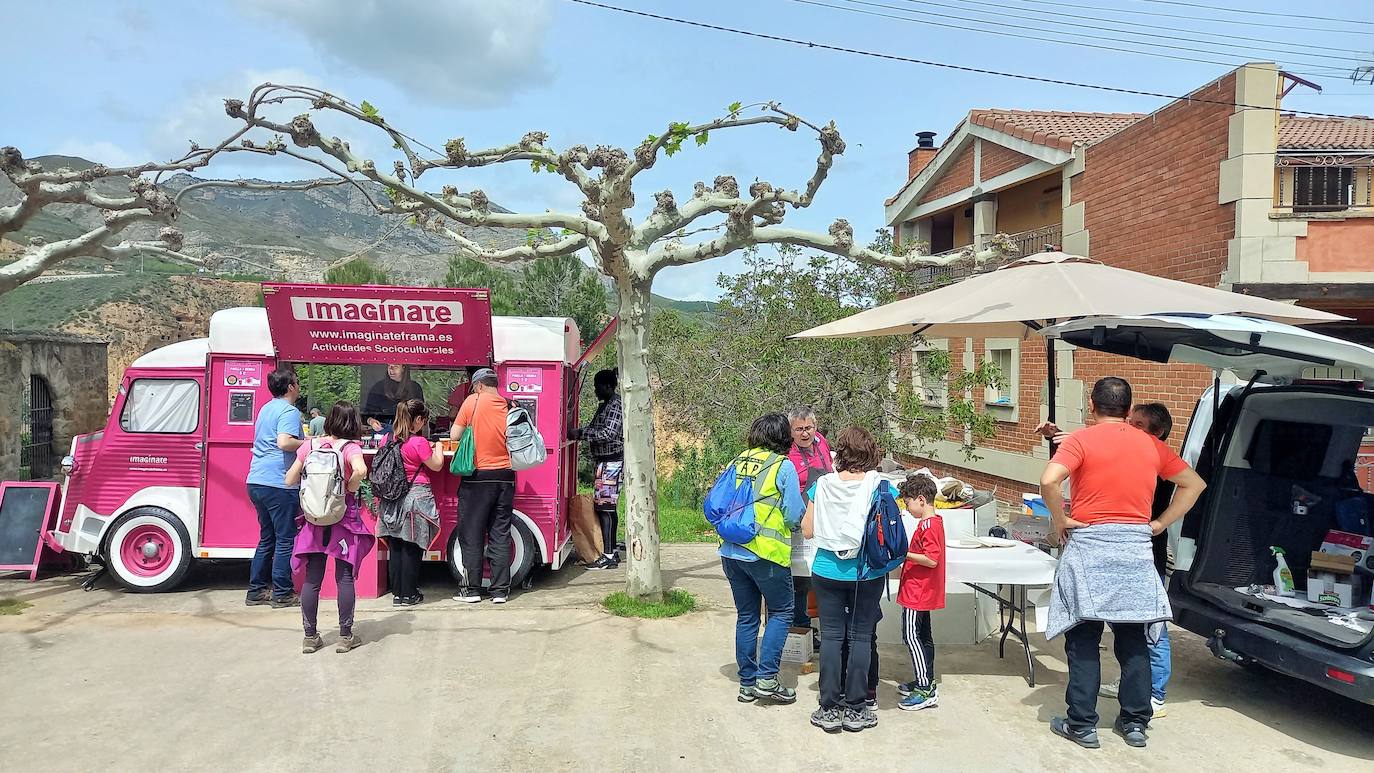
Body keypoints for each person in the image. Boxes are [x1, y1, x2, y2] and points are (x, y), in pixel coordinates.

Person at [1041, 377, 1205, 750]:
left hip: (1090, 545)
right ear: (1129, 411)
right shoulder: (1150, 444)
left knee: (1083, 637)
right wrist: (1160, 523)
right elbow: (1194, 484)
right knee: (1132, 639)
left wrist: (1060, 519)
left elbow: (1049, 480)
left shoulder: (1080, 440)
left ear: (1092, 404)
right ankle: (1134, 723)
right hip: (1133, 548)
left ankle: (1081, 724)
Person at [802, 426, 887, 733]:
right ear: (871, 452)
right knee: (861, 637)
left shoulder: (821, 485)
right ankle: (856, 708)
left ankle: (828, 707)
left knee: (832, 637)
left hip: (826, 570)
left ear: (841, 452)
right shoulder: (879, 485)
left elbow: (808, 530)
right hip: (866, 573)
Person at [720, 413, 805, 705]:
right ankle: (767, 679)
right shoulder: (783, 467)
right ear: (784, 437)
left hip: (730, 550)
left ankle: (747, 683)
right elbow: (795, 513)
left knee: (747, 616)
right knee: (781, 612)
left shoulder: (738, 460)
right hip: (765, 554)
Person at [1099, 402, 1177, 718]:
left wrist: (1159, 524)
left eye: (1139, 424)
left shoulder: (1158, 462)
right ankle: (1134, 681)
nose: (1131, 427)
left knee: (1152, 628)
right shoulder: (1138, 454)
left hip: (1148, 558)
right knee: (1128, 627)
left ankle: (1155, 693)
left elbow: (1193, 487)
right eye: (1131, 421)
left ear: (1157, 433)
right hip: (1127, 555)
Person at [284, 401, 375, 653]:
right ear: (353, 422)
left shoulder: (309, 446)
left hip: (313, 519)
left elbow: (290, 478)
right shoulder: (350, 447)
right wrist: (350, 487)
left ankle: (310, 637)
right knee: (344, 577)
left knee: (313, 578)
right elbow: (361, 470)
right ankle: (345, 636)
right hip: (342, 518)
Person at [449, 367, 514, 604]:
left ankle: (472, 590)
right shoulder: (510, 404)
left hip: (478, 476)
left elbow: (454, 435)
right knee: (500, 533)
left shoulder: (473, 401)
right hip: (506, 476)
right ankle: (500, 592)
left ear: (478, 386)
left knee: (472, 533)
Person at [245, 366, 305, 608]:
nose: (299, 386)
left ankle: (256, 590)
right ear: (290, 386)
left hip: (256, 479)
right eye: (297, 382)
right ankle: (282, 592)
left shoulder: (265, 409)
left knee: (266, 539)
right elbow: (284, 442)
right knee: (284, 540)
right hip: (279, 483)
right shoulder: (289, 411)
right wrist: (309, 443)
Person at [377, 399, 444, 607]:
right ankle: (409, 594)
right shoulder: (418, 442)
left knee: (396, 545)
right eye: (423, 421)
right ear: (417, 419)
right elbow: (436, 465)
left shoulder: (387, 439)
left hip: (391, 499)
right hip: (415, 497)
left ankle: (398, 594)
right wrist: (439, 447)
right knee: (412, 546)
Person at [896, 473, 945, 712]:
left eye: (909, 503)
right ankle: (926, 679)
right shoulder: (933, 523)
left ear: (921, 500)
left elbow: (931, 560)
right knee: (923, 636)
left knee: (911, 636)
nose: (907, 508)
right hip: (922, 590)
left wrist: (903, 553)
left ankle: (925, 688)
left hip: (918, 591)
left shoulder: (928, 525)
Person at [572, 369, 625, 569]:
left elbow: (608, 433)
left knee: (606, 508)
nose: (596, 391)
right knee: (604, 507)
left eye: (598, 387)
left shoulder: (616, 405)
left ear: (608, 386)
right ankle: (610, 552)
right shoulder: (605, 406)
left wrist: (581, 433)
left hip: (612, 462)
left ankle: (609, 555)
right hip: (604, 462)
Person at [787, 406, 832, 634]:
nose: (805, 434)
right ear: (791, 431)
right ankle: (801, 629)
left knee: (821, 574)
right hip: (800, 520)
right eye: (799, 430)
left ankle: (827, 630)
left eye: (809, 428)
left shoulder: (822, 442)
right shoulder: (787, 453)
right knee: (800, 580)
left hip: (825, 517)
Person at [365, 364, 424, 432]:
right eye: (389, 366)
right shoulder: (378, 387)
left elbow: (421, 414)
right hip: (383, 431)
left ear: (403, 367)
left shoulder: (415, 388)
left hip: (409, 430)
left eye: (396, 366)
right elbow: (366, 414)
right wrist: (371, 421)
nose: (391, 370)